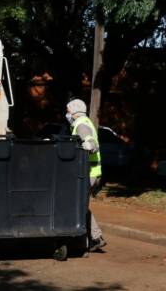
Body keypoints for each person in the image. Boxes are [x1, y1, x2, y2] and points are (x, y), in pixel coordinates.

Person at [67, 99, 107, 252]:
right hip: (89, 172)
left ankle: (93, 237)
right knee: (79, 204)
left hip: (88, 173)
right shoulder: (82, 122)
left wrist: (89, 145)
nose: (67, 114)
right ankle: (94, 237)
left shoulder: (82, 124)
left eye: (68, 110)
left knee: (77, 204)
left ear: (75, 111)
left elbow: (91, 143)